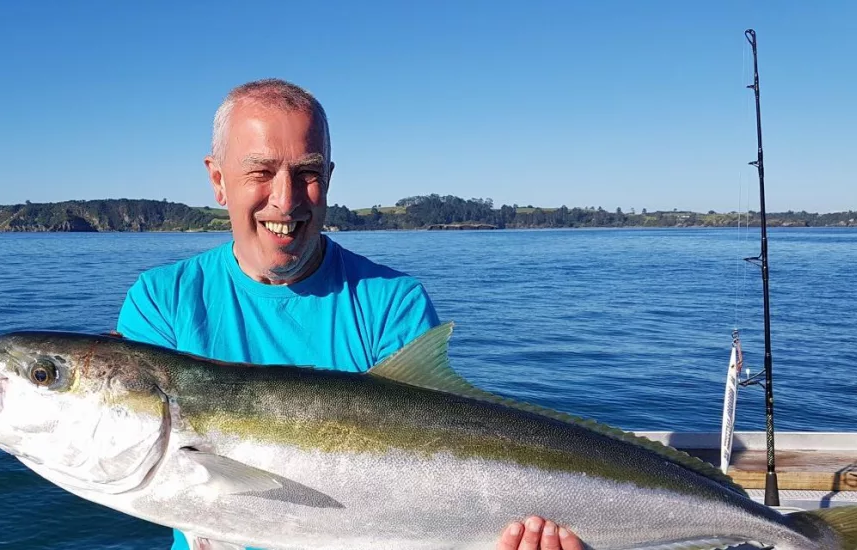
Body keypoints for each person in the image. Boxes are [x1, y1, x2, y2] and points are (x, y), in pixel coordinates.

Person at [114, 78, 582, 550]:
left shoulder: (391, 301)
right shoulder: (163, 301)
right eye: (261, 172)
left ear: (330, 178)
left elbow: (436, 476)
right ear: (218, 180)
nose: (286, 199)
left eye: (307, 173)